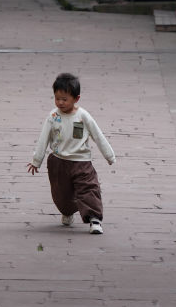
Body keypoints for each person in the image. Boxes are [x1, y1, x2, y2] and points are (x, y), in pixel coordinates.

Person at [26, 70, 115, 234]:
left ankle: (94, 219)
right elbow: (43, 138)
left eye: (64, 99)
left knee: (89, 188)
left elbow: (98, 135)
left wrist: (109, 155)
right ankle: (67, 212)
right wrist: (36, 160)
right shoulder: (53, 116)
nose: (60, 102)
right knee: (62, 195)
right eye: (57, 98)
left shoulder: (83, 116)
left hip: (81, 161)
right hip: (58, 162)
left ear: (76, 99)